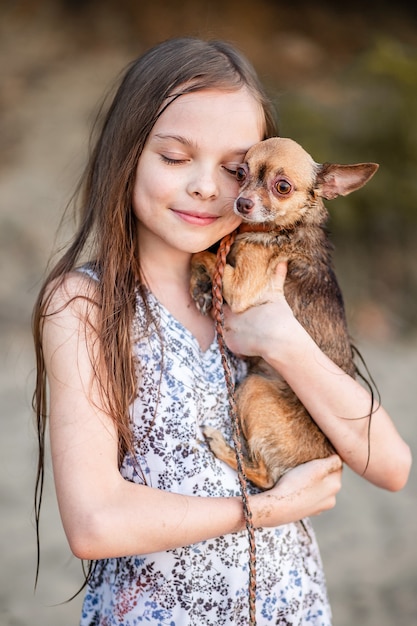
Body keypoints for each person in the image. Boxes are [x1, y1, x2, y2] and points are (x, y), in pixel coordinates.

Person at [32, 37, 411, 626]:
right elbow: (93, 523)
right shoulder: (84, 305)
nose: (211, 188)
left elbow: (390, 465)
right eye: (176, 157)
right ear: (126, 154)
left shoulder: (272, 287)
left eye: (236, 168)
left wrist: (282, 338)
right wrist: (264, 508)